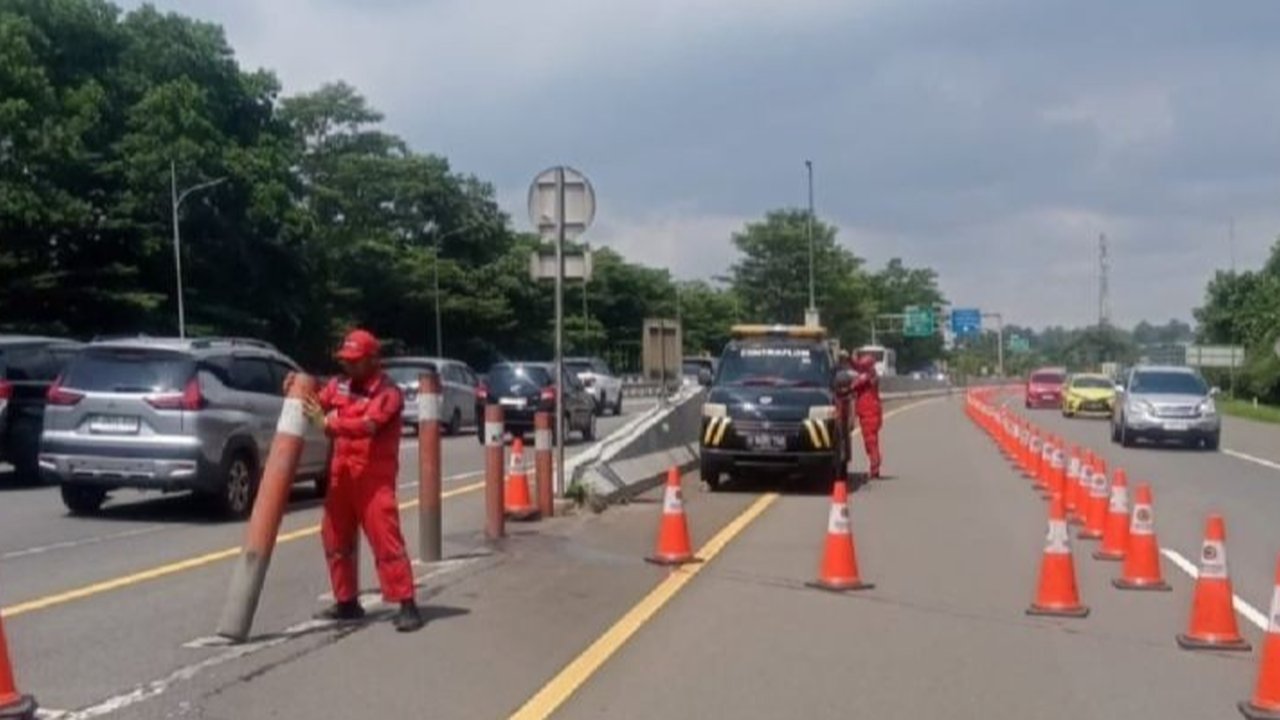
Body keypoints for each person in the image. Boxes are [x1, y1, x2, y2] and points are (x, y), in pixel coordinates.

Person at [301, 328, 424, 632]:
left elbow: (368, 426)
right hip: (342, 477)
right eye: (346, 360)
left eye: (355, 361)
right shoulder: (341, 386)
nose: (349, 366)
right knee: (334, 538)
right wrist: (298, 387)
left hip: (373, 480)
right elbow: (317, 400)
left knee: (386, 541)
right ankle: (346, 602)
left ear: (372, 360)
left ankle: (406, 603)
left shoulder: (388, 393)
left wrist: (329, 423)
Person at [851, 353, 884, 479]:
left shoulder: (867, 376)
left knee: (871, 442)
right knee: (871, 442)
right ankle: (874, 467)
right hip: (871, 411)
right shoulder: (870, 374)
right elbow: (857, 368)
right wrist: (852, 359)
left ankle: (874, 468)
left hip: (869, 412)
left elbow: (854, 385)